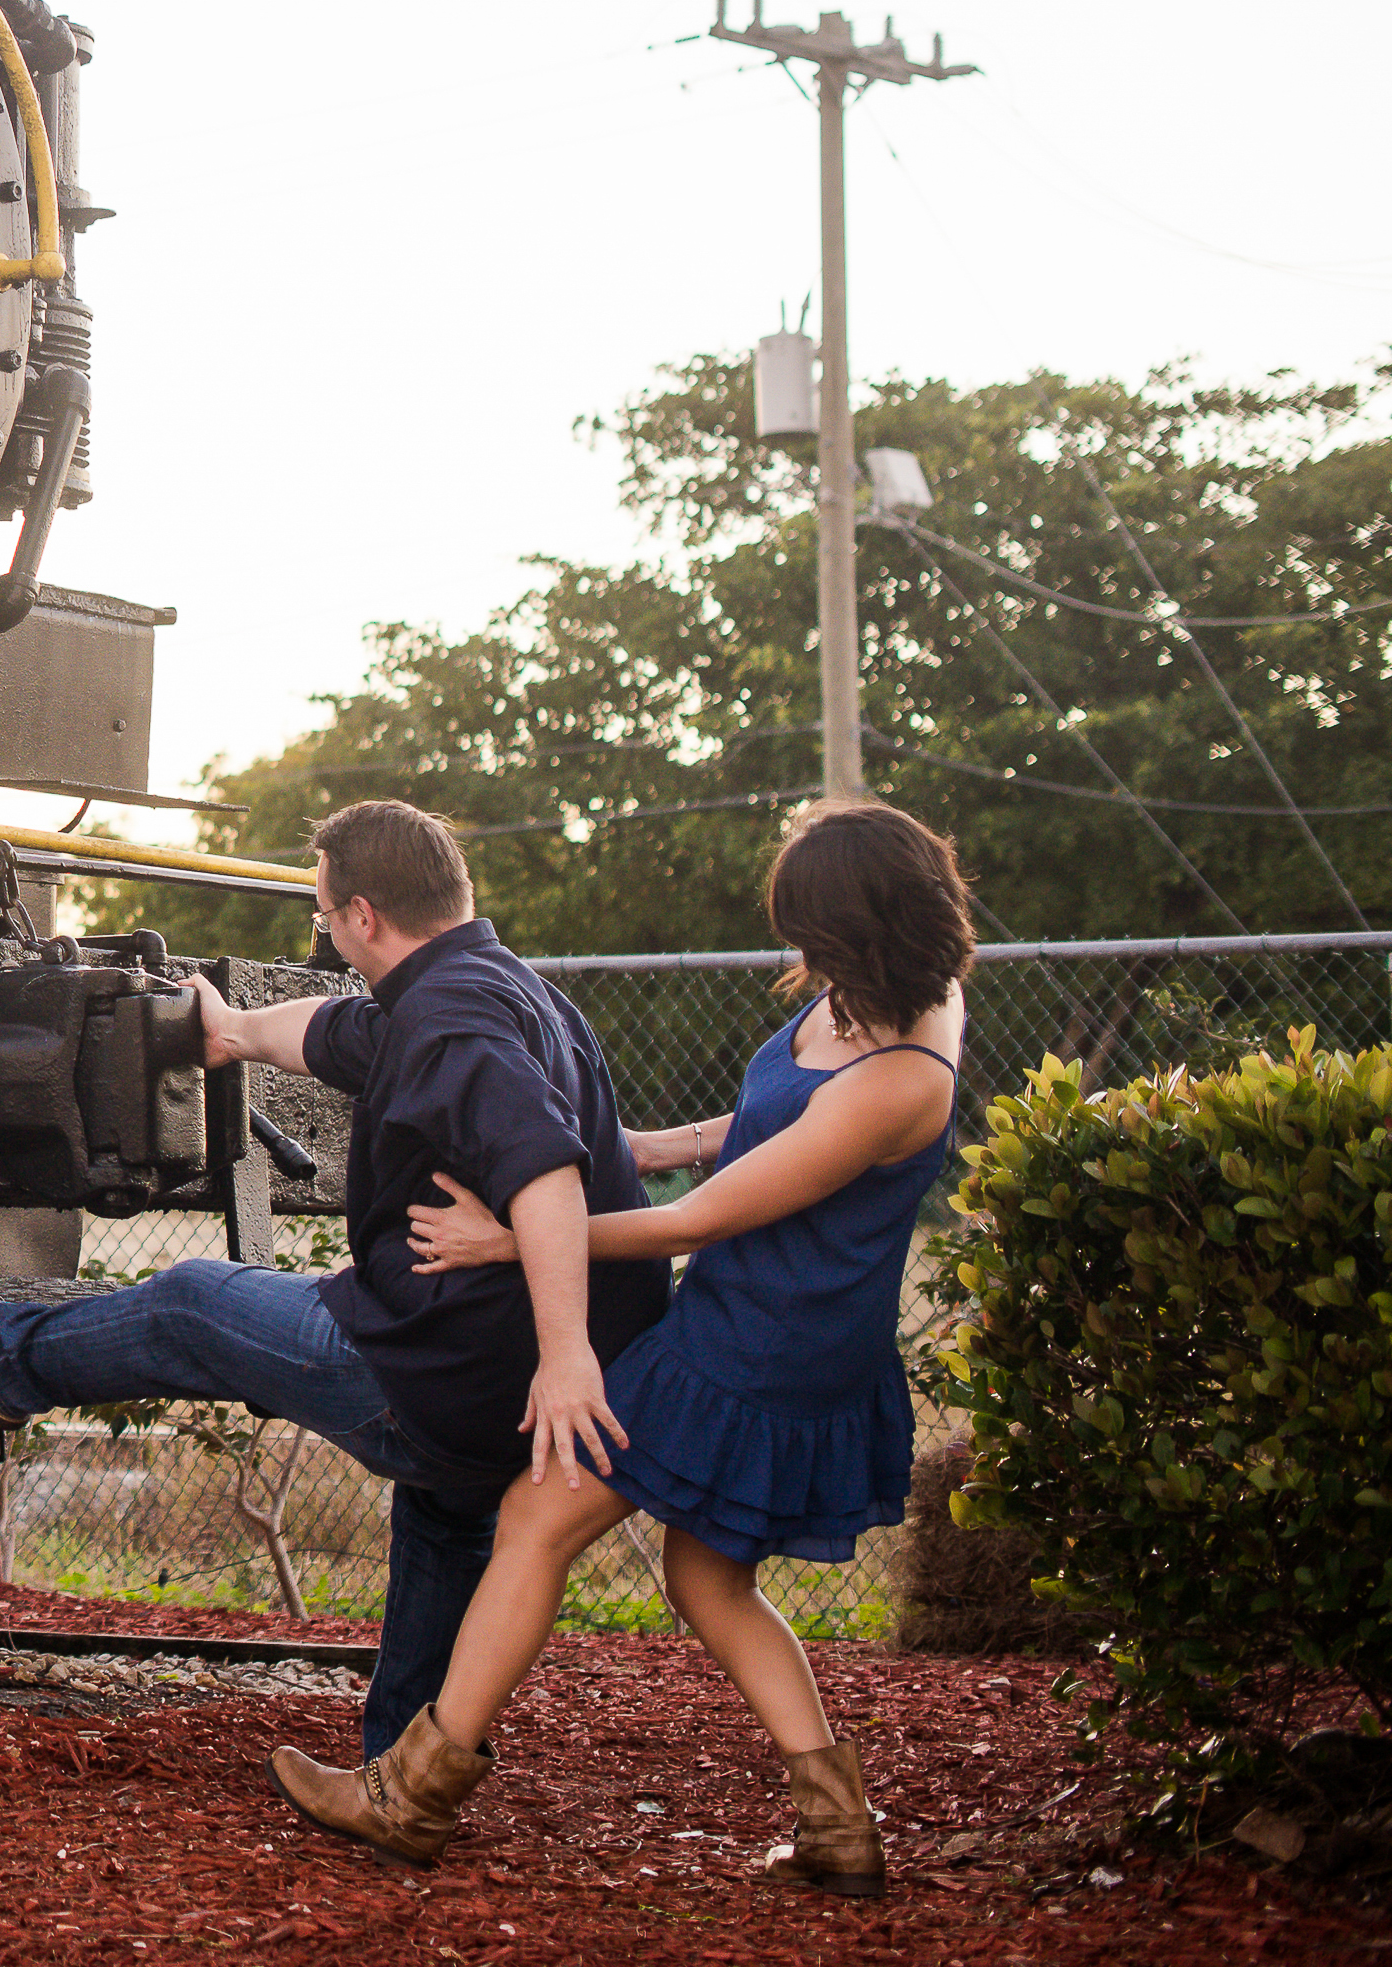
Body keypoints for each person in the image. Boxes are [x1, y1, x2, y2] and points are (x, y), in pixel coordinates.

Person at [264, 796, 972, 1896]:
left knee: (536, 1516)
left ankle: (408, 1795)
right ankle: (838, 1824)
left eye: (811, 933)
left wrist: (512, 1238)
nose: (797, 952)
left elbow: (701, 1219)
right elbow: (771, 1130)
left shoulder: (901, 1080)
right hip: (775, 1331)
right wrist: (651, 1141)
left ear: (861, 927)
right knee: (705, 1577)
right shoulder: (887, 998)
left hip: (752, 1351)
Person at [0, 799, 669, 1764]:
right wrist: (230, 1031)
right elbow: (337, 1031)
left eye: (324, 918)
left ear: (363, 916)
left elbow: (549, 1178)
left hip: (453, 1368)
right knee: (444, 1517)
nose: (328, 936)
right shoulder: (498, 988)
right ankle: (406, 1768)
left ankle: (7, 1361)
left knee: (192, 1302)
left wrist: (566, 1360)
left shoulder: (452, 1023)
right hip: (506, 1382)